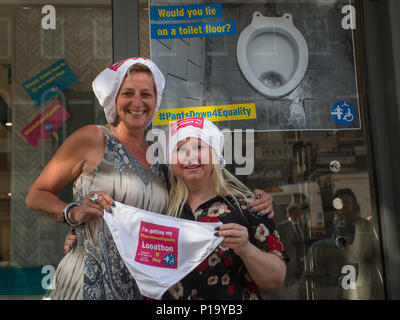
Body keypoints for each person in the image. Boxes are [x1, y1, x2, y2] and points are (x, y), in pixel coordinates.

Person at [25, 58, 275, 300]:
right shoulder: (91, 138)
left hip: (141, 288)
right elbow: (36, 196)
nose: (137, 102)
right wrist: (75, 213)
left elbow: (202, 187)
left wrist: (256, 202)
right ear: (114, 98)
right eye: (128, 93)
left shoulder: (161, 156)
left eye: (146, 94)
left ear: (156, 102)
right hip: (88, 281)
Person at [159, 117, 288, 300]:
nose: (190, 156)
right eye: (180, 148)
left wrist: (246, 249)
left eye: (199, 147)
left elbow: (276, 280)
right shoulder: (160, 209)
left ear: (215, 154)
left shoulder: (248, 206)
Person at [275, 203, 308, 299]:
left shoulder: (304, 226)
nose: (301, 214)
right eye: (299, 212)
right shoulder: (282, 227)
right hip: (290, 264)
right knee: (291, 291)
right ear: (292, 212)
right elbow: (280, 247)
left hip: (303, 263)